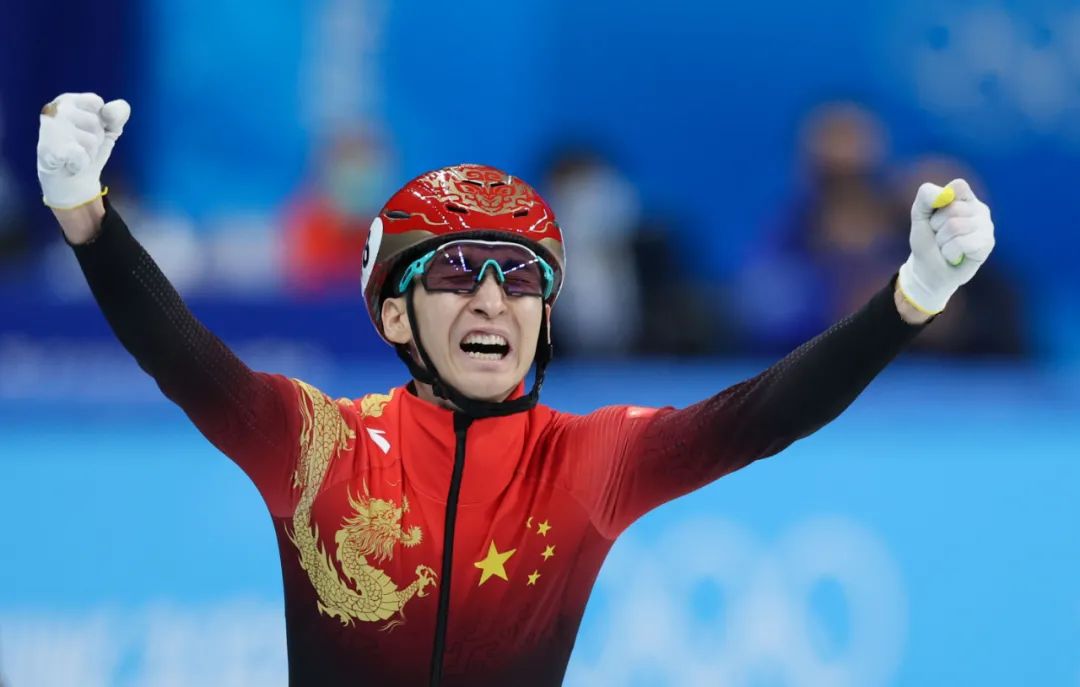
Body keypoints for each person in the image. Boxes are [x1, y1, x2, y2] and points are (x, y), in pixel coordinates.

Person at [36, 93, 995, 686]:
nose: (493, 297)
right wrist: (86, 214)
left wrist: (909, 299)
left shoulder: (589, 459)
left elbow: (763, 415)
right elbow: (184, 358)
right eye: (457, 272)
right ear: (396, 316)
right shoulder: (316, 443)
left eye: (521, 275)